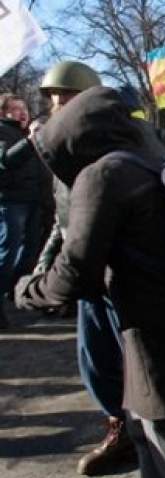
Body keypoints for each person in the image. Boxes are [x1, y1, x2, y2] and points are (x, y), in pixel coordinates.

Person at [15, 86, 165, 478]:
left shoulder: (102, 175)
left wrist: (26, 291)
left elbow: (75, 275)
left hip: (157, 341)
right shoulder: (153, 157)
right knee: (153, 442)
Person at [0, 94, 53, 328]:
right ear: (3, 113)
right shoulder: (3, 132)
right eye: (15, 109)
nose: (22, 113)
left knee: (30, 251)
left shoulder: (26, 134)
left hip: (34, 201)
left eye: (24, 108)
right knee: (7, 252)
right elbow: (5, 160)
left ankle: (14, 293)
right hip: (11, 201)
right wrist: (30, 142)